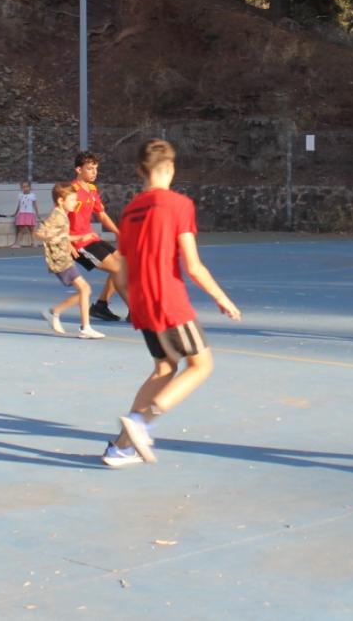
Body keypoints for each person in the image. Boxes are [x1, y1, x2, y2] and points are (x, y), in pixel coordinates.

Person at [101, 139, 241, 468]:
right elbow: (192, 265)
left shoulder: (130, 209)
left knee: (164, 368)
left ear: (139, 170)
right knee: (201, 365)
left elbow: (122, 267)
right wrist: (221, 297)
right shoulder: (179, 205)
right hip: (169, 300)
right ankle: (142, 421)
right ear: (172, 168)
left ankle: (120, 448)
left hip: (143, 302)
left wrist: (134, 301)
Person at [33, 182, 105, 339]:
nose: (75, 203)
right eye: (72, 200)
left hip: (64, 257)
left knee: (85, 290)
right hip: (59, 259)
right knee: (85, 289)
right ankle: (84, 327)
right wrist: (51, 237)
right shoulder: (56, 215)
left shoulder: (62, 215)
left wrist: (80, 237)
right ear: (60, 200)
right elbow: (38, 232)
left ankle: (55, 312)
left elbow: (64, 236)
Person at [68, 151, 124, 322]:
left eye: (96, 169)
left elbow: (102, 215)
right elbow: (60, 217)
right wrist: (67, 244)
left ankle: (101, 306)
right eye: (90, 168)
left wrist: (118, 232)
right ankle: (134, 309)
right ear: (78, 169)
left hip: (92, 239)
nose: (94, 172)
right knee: (120, 270)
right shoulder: (71, 191)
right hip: (79, 244)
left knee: (123, 264)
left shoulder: (92, 189)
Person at [11, 180, 38, 248]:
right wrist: (15, 213)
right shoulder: (20, 195)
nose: (25, 188)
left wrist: (37, 213)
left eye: (27, 186)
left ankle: (33, 242)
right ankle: (17, 243)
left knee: (31, 229)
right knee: (21, 229)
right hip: (22, 214)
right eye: (23, 187)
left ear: (30, 187)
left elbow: (35, 205)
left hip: (29, 213)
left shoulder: (32, 195)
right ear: (21, 188)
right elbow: (19, 205)